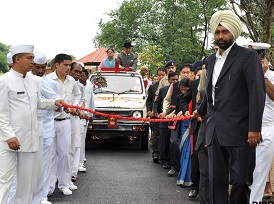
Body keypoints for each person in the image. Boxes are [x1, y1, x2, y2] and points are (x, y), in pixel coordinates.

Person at [193, 10, 266, 203]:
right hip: (214, 130)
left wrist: (254, 128)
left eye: (224, 32)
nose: (220, 36)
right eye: (217, 32)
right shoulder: (209, 60)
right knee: (215, 181)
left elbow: (257, 94)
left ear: (233, 32)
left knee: (241, 181)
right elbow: (211, 91)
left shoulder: (247, 57)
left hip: (241, 131)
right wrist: (200, 111)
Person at [0, 45, 63, 204]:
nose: (33, 61)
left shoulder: (34, 81)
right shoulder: (4, 81)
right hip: (9, 140)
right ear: (17, 59)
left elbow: (38, 102)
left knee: (27, 182)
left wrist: (54, 103)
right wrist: (9, 136)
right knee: (5, 180)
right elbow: (1, 112)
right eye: (29, 58)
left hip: (30, 139)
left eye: (33, 58)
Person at [47, 54, 81, 196]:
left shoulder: (71, 80)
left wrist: (74, 106)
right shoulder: (47, 80)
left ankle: (64, 184)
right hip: (49, 122)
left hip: (66, 121)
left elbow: (78, 95)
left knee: (65, 154)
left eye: (69, 65)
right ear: (56, 65)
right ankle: (48, 187)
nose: (68, 68)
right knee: (49, 155)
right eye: (65, 65)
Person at [245, 43, 274, 203]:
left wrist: (262, 76)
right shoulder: (245, 75)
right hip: (245, 129)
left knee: (259, 174)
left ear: (264, 59)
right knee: (243, 175)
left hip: (266, 129)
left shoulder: (271, 76)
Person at [153, 72, 179, 169]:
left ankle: (172, 161)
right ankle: (164, 160)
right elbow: (157, 103)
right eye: (173, 80)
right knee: (164, 141)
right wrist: (156, 112)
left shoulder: (181, 89)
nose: (175, 81)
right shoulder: (163, 90)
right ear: (169, 80)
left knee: (173, 142)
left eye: (177, 79)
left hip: (176, 119)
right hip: (164, 120)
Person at [146, 68, 167, 162]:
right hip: (155, 115)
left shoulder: (169, 86)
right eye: (159, 75)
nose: (161, 77)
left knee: (163, 135)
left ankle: (163, 154)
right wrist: (150, 110)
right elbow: (149, 101)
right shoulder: (153, 87)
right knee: (155, 134)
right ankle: (155, 154)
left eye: (163, 75)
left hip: (165, 115)